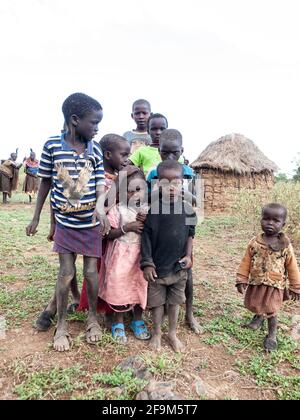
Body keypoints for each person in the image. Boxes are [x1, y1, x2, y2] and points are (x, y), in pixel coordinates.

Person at [26, 92, 109, 352]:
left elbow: (99, 186)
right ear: (75, 120)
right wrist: (37, 216)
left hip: (90, 224)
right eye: (94, 122)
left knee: (91, 274)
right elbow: (46, 183)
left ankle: (92, 319)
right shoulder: (52, 146)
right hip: (65, 222)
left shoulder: (94, 149)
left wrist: (100, 208)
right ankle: (61, 325)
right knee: (65, 274)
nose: (97, 128)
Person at [147, 129, 201, 334]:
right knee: (159, 271)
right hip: (161, 227)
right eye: (164, 153)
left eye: (174, 153)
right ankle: (158, 307)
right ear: (158, 151)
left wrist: (182, 191)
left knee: (187, 273)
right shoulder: (154, 173)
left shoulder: (189, 173)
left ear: (182, 151)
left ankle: (189, 313)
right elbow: (148, 200)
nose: (170, 157)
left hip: (183, 227)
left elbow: (196, 201)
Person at [141, 160, 197, 352]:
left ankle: (172, 333)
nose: (171, 187)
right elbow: (145, 238)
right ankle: (157, 332)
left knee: (175, 302)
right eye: (165, 182)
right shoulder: (153, 210)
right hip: (157, 268)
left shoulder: (188, 208)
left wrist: (189, 256)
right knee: (156, 303)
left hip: (178, 267)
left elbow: (190, 234)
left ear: (182, 182)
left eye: (176, 182)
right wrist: (147, 263)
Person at [78, 134, 131, 314]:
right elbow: (103, 206)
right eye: (123, 155)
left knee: (111, 269)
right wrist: (120, 182)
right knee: (96, 270)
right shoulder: (96, 176)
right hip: (97, 231)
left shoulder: (120, 176)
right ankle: (93, 305)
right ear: (108, 155)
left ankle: (110, 306)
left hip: (114, 232)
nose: (127, 159)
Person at [236, 203, 300, 352]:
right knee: (257, 302)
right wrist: (241, 278)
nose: (270, 223)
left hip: (275, 284)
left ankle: (272, 335)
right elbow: (246, 261)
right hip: (257, 281)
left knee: (271, 310)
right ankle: (258, 319)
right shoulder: (255, 242)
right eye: (266, 218)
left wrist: (296, 286)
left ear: (283, 224)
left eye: (275, 220)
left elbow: (292, 266)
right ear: (261, 220)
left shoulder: (285, 245)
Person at [99, 165, 151, 343]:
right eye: (130, 191)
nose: (135, 195)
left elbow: (155, 231)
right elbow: (108, 234)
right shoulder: (118, 209)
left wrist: (148, 220)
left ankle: (137, 319)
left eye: (139, 190)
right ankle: (118, 322)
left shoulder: (148, 210)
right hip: (120, 257)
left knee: (139, 286)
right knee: (118, 287)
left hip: (140, 257)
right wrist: (126, 227)